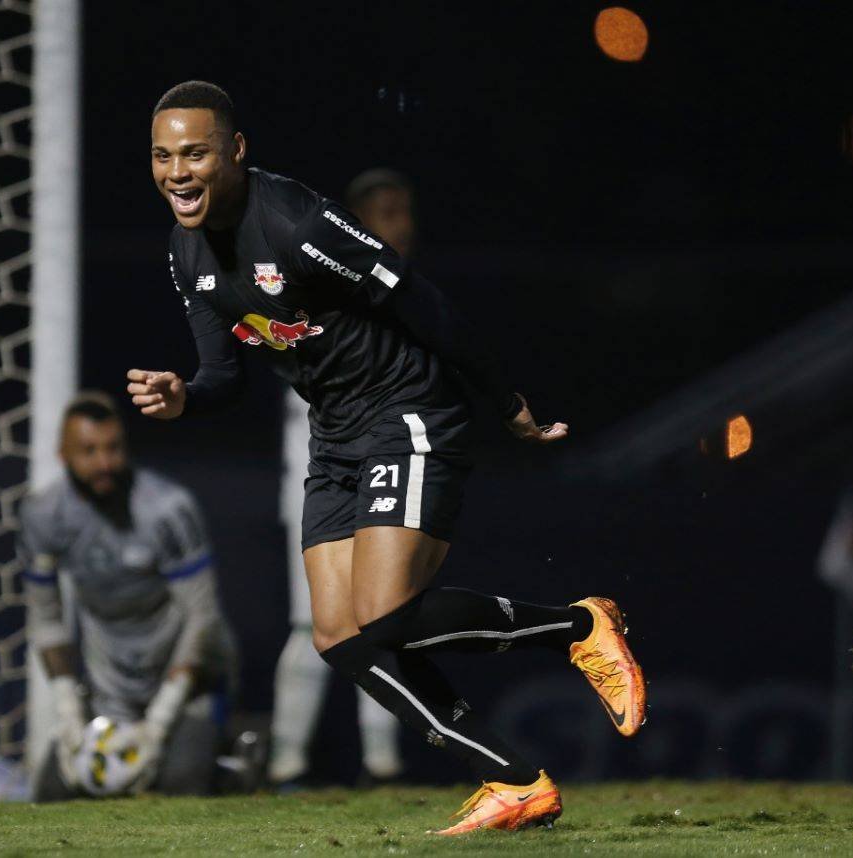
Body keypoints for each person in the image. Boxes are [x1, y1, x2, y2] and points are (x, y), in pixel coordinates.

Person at [127, 81, 645, 834]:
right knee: (339, 635)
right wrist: (185, 397)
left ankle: (579, 627)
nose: (177, 171)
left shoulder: (298, 222)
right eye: (163, 155)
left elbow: (421, 301)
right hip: (332, 431)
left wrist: (507, 405)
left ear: (235, 151)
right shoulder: (185, 252)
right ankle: (513, 781)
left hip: (407, 412)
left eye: (195, 153)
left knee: (386, 614)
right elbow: (223, 377)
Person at [269, 169, 416, 787]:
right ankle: (285, 765)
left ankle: (383, 765)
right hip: (321, 480)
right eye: (384, 212)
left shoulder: (408, 294)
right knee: (316, 627)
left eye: (404, 211)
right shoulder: (320, 293)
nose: (399, 224)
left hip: (389, 474)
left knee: (386, 618)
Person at [20, 391, 236, 801]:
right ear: (62, 454)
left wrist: (160, 720)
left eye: (113, 448)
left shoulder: (167, 509)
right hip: (110, 693)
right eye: (88, 451)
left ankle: (232, 764)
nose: (104, 463)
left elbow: (202, 616)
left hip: (187, 687)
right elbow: (45, 618)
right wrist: (68, 710)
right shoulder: (42, 515)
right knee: (52, 796)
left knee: (179, 786)